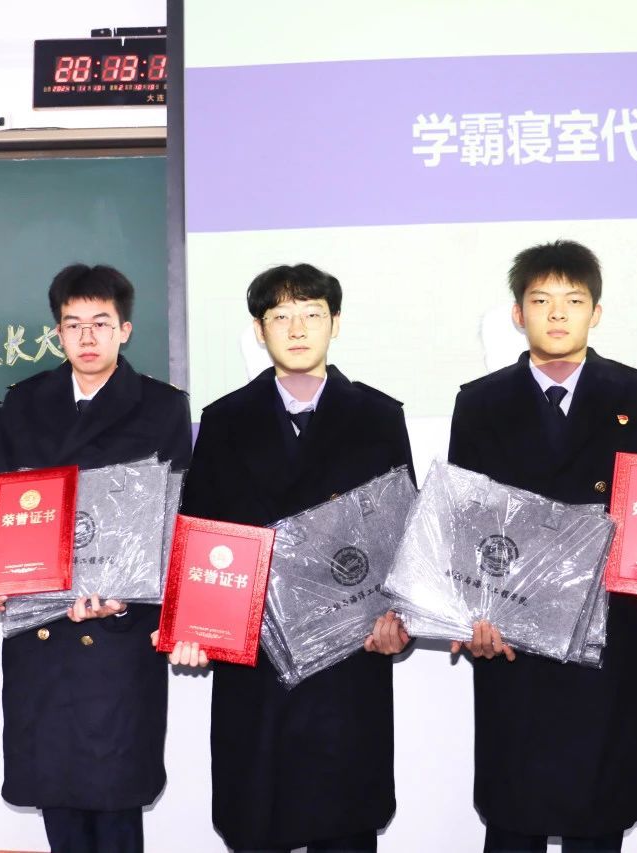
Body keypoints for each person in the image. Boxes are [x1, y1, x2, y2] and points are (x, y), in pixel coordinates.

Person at [448, 239, 637, 853]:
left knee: (599, 811)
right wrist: (469, 615)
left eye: (573, 300)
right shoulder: (480, 402)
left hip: (607, 635)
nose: (557, 313)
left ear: (595, 313)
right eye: (541, 300)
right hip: (512, 639)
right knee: (514, 814)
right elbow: (464, 521)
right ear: (517, 313)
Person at [180, 263, 415, 853]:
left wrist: (401, 620)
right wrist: (194, 626)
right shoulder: (225, 419)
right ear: (260, 330)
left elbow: (404, 539)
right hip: (258, 665)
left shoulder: (379, 416)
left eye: (312, 313)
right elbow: (200, 534)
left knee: (344, 825)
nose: (298, 328)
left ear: (336, 323)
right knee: (259, 818)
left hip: (349, 661)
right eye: (280, 316)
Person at [0, 263, 192, 853]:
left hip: (119, 633)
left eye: (101, 323)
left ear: (125, 330)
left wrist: (128, 596)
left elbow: (173, 521)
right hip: (41, 628)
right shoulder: (24, 402)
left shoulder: (162, 407)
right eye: (73, 325)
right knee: (58, 793)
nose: (87, 337)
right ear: (58, 333)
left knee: (115, 800)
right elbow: (2, 504)